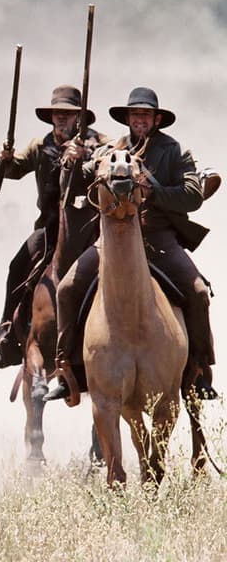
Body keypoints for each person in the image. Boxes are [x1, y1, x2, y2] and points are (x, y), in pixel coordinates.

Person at [46, 87, 214, 402]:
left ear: (157, 118)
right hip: (112, 242)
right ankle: (68, 369)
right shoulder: (111, 149)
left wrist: (153, 192)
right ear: (127, 118)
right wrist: (75, 160)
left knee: (198, 293)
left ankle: (199, 369)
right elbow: (86, 176)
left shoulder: (175, 152)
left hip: (158, 238)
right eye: (135, 114)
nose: (139, 119)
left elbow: (193, 196)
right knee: (67, 289)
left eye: (145, 114)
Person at [0, 85, 108, 371]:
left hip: (90, 227)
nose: (61, 118)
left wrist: (85, 157)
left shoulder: (99, 143)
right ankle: (7, 339)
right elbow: (14, 170)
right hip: (51, 227)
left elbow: (110, 163)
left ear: (80, 117)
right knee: (17, 267)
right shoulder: (40, 145)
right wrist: (5, 159)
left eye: (68, 113)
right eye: (57, 113)